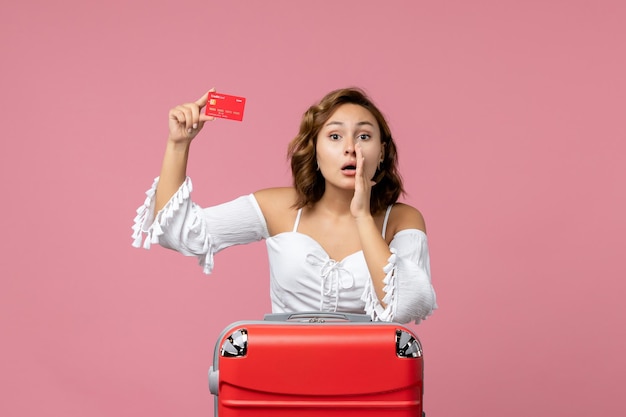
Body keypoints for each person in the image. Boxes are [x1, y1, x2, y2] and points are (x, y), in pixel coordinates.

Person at [132, 87, 437, 324]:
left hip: (370, 384)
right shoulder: (278, 207)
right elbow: (179, 233)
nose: (350, 148)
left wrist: (362, 216)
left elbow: (405, 307)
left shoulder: (402, 219)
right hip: (285, 376)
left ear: (381, 152)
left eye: (364, 136)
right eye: (334, 136)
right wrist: (178, 144)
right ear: (314, 150)